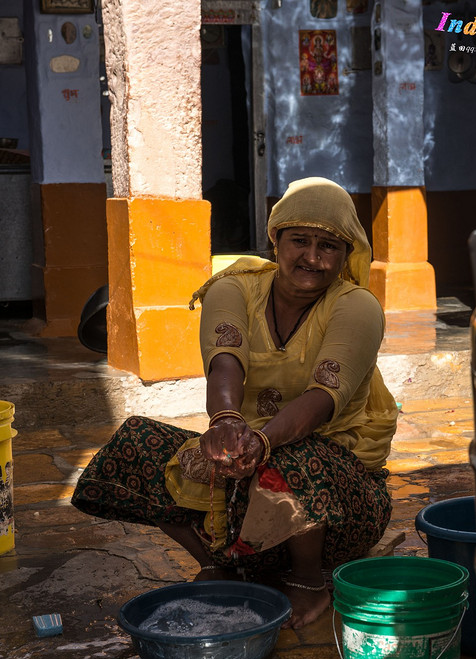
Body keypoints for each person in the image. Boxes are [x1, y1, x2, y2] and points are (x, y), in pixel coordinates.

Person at [72, 177, 398, 629]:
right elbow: (225, 362)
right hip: (255, 457)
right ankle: (216, 563)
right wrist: (225, 423)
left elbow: (323, 399)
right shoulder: (235, 288)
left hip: (342, 502)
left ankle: (307, 579)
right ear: (276, 241)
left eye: (328, 247)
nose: (311, 257)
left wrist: (262, 441)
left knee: (292, 457)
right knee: (140, 441)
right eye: (299, 241)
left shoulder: (357, 306)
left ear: (345, 256)